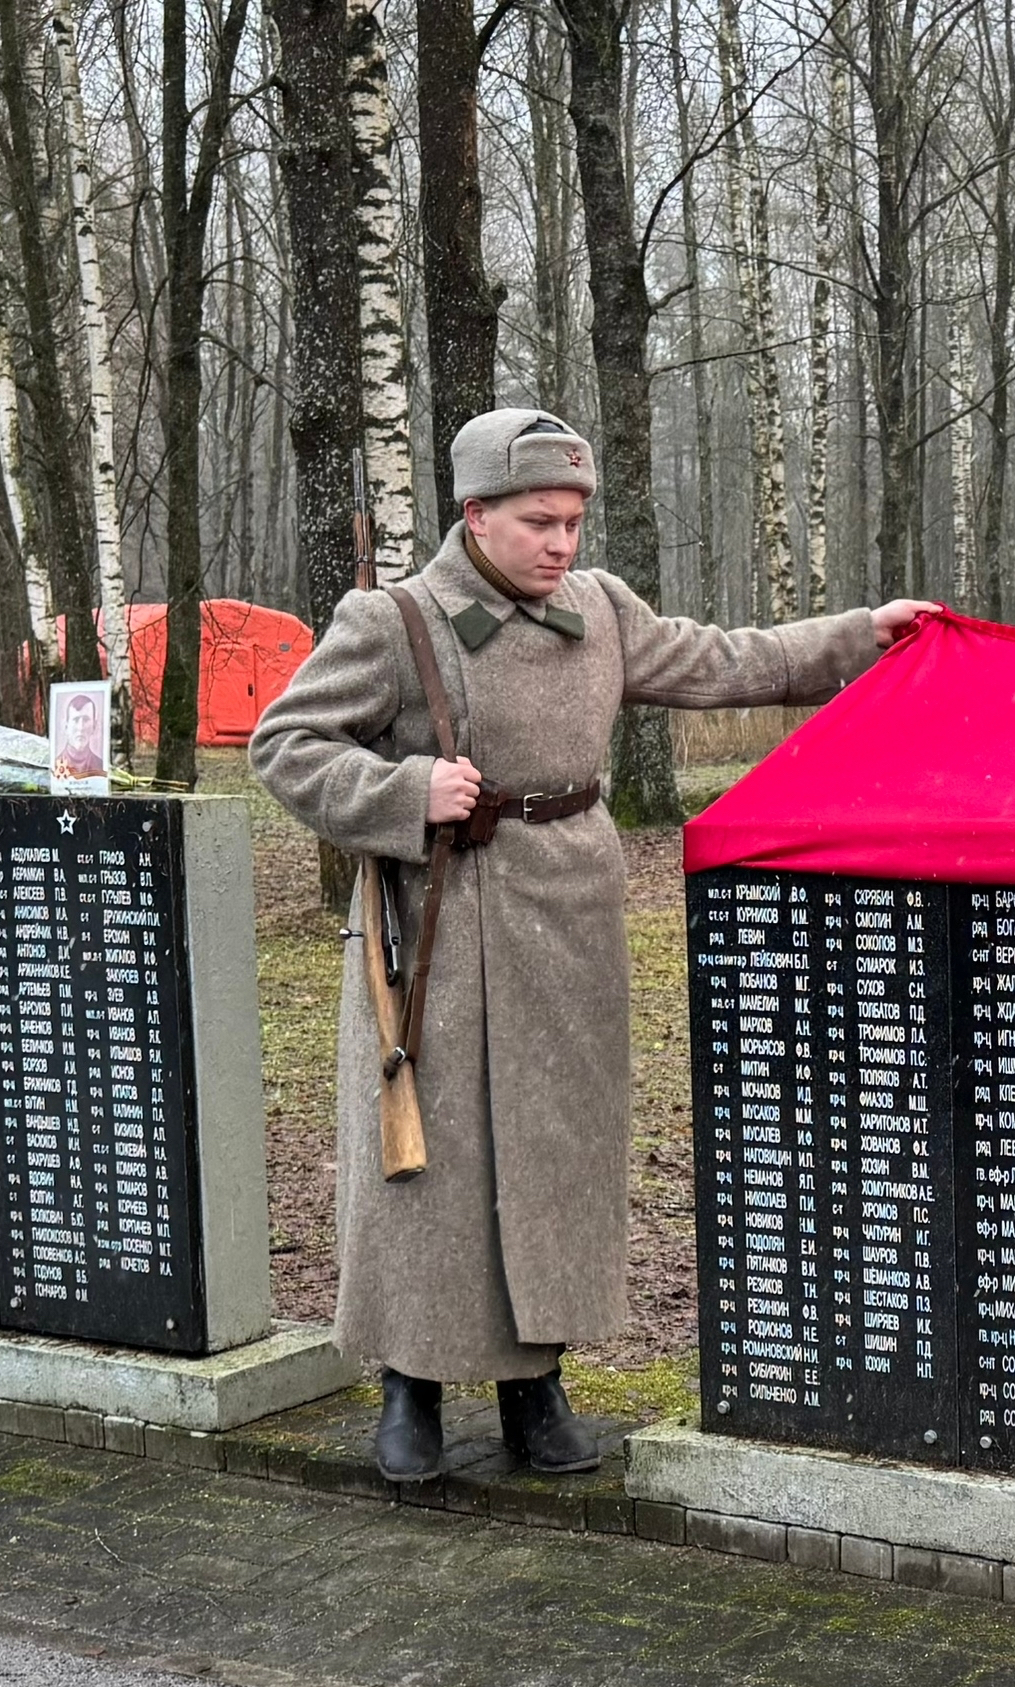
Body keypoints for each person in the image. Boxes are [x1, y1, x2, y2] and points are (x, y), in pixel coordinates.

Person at [250, 408, 936, 1484]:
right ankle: (410, 1386)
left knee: (557, 1155)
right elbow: (285, 744)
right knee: (431, 1164)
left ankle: (536, 1384)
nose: (561, 543)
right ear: (476, 514)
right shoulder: (395, 621)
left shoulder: (602, 607)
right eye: (539, 521)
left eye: (572, 521)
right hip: (440, 928)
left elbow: (726, 661)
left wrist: (866, 634)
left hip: (572, 913)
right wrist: (402, 791)